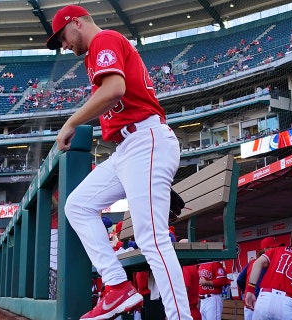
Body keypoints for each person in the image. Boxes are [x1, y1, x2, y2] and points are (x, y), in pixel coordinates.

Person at [46, 5, 190, 319]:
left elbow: (114, 89)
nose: (64, 45)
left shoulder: (104, 39)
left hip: (145, 140)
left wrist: (70, 122)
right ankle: (117, 288)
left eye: (63, 37)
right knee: (78, 205)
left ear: (77, 23)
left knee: (151, 239)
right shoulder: (92, 55)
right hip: (128, 149)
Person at [244, 238, 292, 320]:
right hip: (287, 301)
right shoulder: (278, 250)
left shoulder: (278, 250)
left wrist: (250, 289)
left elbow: (258, 263)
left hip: (265, 297)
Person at [236, 236, 277, 320]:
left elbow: (240, 279)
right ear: (266, 249)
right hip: (260, 305)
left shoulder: (252, 262)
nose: (276, 250)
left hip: (249, 305)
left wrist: (247, 292)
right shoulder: (268, 264)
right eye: (273, 247)